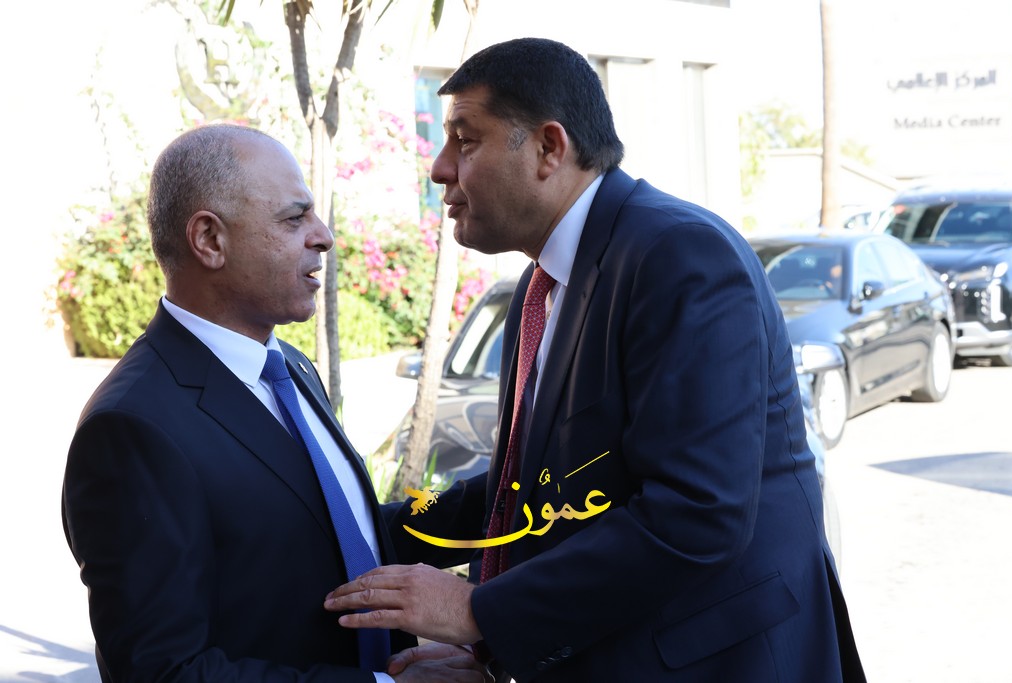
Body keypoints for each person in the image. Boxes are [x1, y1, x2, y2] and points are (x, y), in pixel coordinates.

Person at [324, 38, 867, 682]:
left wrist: (480, 613)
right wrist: (362, 537)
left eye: (465, 141)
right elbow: (535, 487)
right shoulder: (542, 286)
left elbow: (697, 513)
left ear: (549, 148)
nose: (441, 169)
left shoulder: (679, 257)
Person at [61, 124, 485, 682]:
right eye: (294, 218)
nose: (323, 236)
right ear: (210, 240)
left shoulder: (288, 367)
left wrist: (501, 491)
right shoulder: (132, 428)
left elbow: (330, 534)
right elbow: (164, 670)